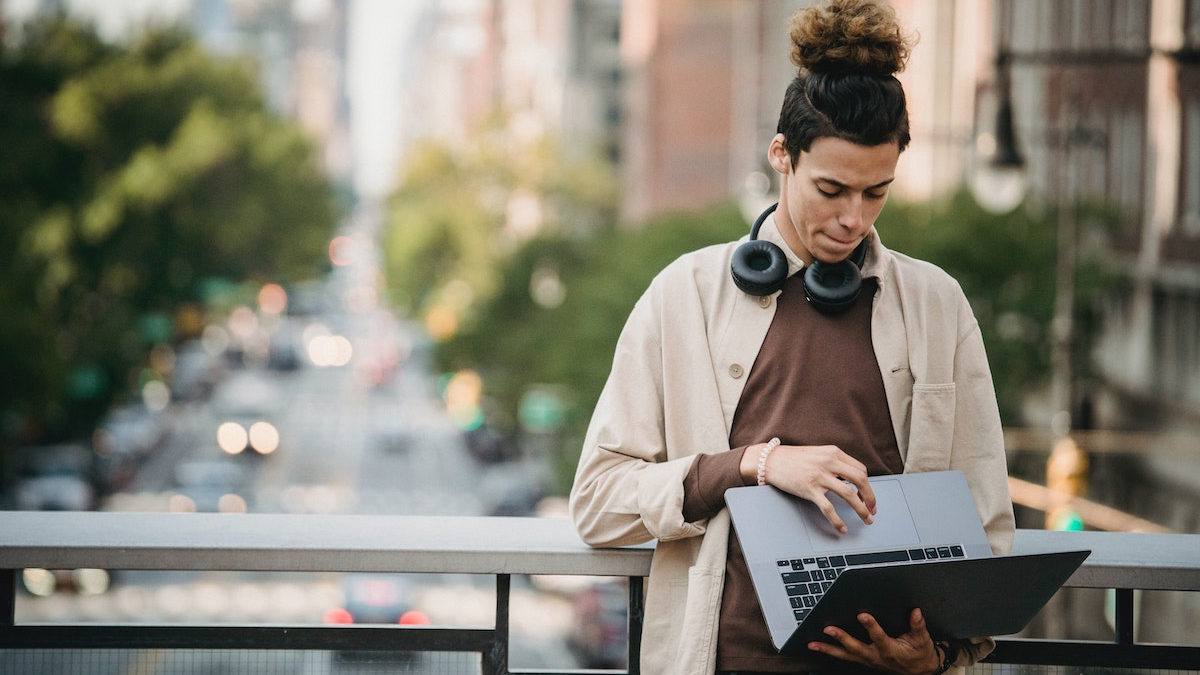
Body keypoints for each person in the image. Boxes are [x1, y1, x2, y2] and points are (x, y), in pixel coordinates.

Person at [569, 1, 1015, 674]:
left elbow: (985, 528)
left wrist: (942, 655)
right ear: (782, 154)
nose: (852, 219)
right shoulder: (684, 294)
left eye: (876, 193)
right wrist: (752, 464)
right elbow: (599, 502)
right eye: (832, 189)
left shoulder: (938, 307)